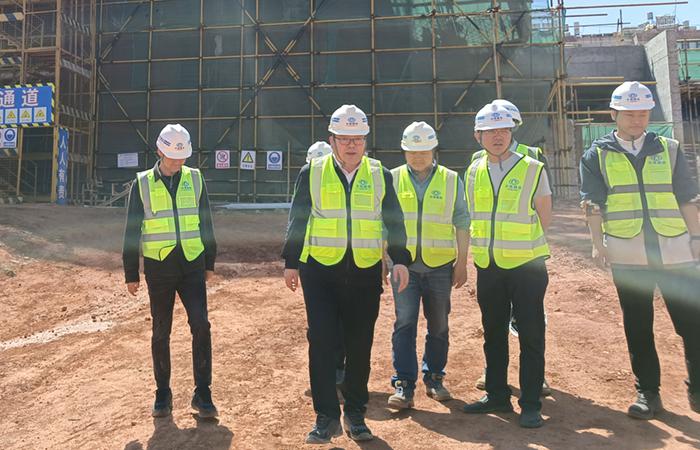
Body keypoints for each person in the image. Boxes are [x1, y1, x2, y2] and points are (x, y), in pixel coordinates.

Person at [282, 105, 411, 444]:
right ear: (332, 140)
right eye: (344, 139)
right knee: (322, 343)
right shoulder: (312, 172)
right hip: (320, 273)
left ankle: (355, 414)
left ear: (365, 140)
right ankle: (326, 417)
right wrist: (291, 261)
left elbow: (394, 219)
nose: (351, 145)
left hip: (365, 273)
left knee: (359, 346)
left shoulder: (380, 173)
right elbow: (298, 217)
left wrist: (399, 259)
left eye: (357, 139)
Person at [580, 81, 700, 419]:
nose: (637, 120)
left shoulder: (669, 149)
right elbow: (592, 203)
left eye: (643, 114)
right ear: (613, 114)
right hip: (628, 252)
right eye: (630, 114)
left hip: (675, 250)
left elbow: (687, 197)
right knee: (638, 325)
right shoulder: (596, 155)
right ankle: (648, 392)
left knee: (692, 323)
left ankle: (698, 388)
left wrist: (696, 238)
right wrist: (597, 243)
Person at [462, 103, 552, 429]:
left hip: (527, 266)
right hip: (489, 266)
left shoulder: (532, 167)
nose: (497, 136)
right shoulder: (473, 171)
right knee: (494, 333)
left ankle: (531, 404)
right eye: (490, 131)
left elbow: (545, 215)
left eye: (503, 130)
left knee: (530, 336)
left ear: (512, 131)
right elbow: (472, 214)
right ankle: (497, 395)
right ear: (478, 135)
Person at [122, 123, 218, 419]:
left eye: (182, 156)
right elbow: (131, 230)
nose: (178, 162)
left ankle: (203, 393)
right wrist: (131, 272)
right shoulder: (142, 183)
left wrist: (210, 262)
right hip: (159, 267)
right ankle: (163, 393)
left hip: (192, 264)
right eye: (173, 157)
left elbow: (206, 222)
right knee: (161, 331)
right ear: (160, 151)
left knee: (201, 324)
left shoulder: (195, 179)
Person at [386, 121, 470, 410]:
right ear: (404, 151)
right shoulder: (392, 178)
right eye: (412, 151)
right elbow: (383, 223)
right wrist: (384, 260)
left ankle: (434, 377)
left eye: (423, 151)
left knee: (439, 325)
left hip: (440, 267)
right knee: (404, 323)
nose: (418, 156)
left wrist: (462, 262)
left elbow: (462, 221)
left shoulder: (450, 179)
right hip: (403, 267)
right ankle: (404, 384)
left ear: (434, 150)